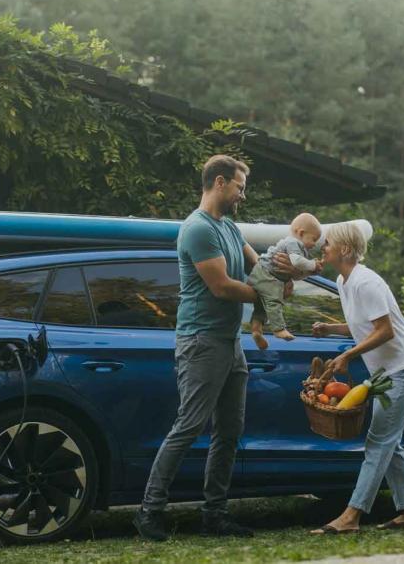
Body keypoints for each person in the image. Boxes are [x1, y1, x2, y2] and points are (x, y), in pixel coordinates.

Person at [133, 154, 298, 541]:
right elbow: (222, 287)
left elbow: (261, 270)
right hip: (201, 341)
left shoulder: (230, 228)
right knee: (189, 426)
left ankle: (215, 514)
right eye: (240, 187)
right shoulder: (197, 229)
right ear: (220, 182)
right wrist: (269, 294)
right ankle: (149, 511)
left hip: (229, 343)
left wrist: (283, 274)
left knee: (229, 431)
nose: (243, 195)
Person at [309, 222, 404, 534]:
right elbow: (362, 324)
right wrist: (330, 328)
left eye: (329, 243)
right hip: (386, 373)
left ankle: (351, 515)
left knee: (379, 441)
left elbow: (385, 330)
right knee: (390, 442)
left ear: (345, 249)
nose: (324, 246)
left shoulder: (366, 283)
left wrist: (348, 355)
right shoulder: (344, 281)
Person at [248, 212, 323, 349]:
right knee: (274, 300)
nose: (314, 244)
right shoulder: (293, 242)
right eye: (313, 239)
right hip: (266, 273)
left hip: (266, 274)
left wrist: (310, 272)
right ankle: (278, 329)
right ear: (300, 233)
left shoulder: (301, 248)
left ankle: (256, 330)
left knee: (262, 306)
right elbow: (297, 261)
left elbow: (296, 275)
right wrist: (312, 264)